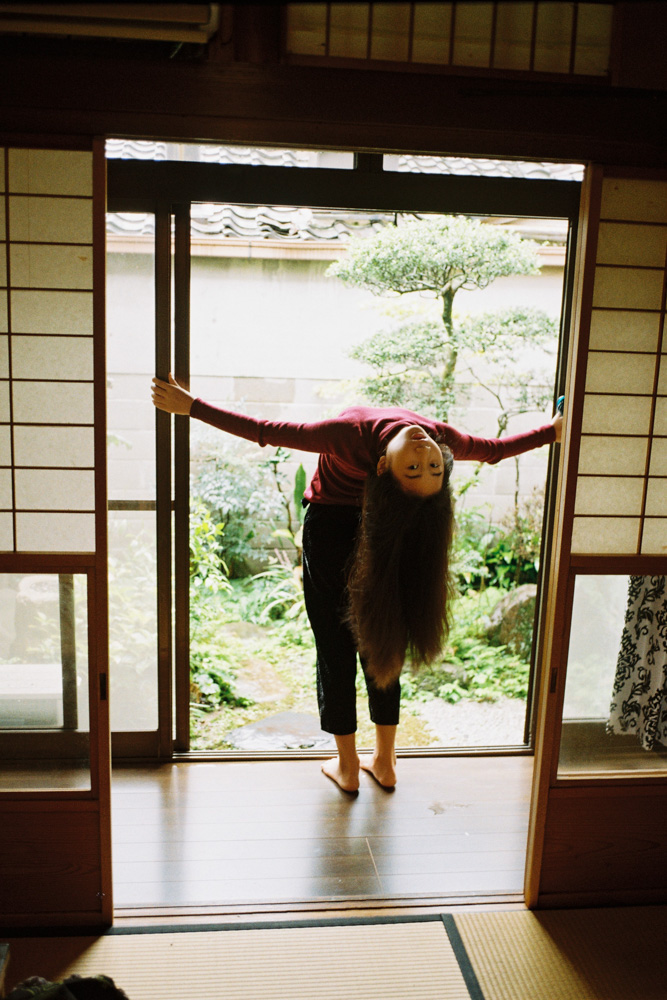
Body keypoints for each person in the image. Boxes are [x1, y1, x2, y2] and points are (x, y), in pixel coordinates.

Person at [152, 374, 562, 793]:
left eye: (415, 467)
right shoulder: (440, 438)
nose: (425, 453)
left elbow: (265, 431)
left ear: (383, 467)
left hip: (337, 529)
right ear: (443, 457)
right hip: (377, 528)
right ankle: (382, 762)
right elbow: (495, 451)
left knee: (355, 643)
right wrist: (553, 431)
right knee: (379, 636)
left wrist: (192, 407)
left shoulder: (348, 436)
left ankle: (352, 767)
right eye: (431, 465)